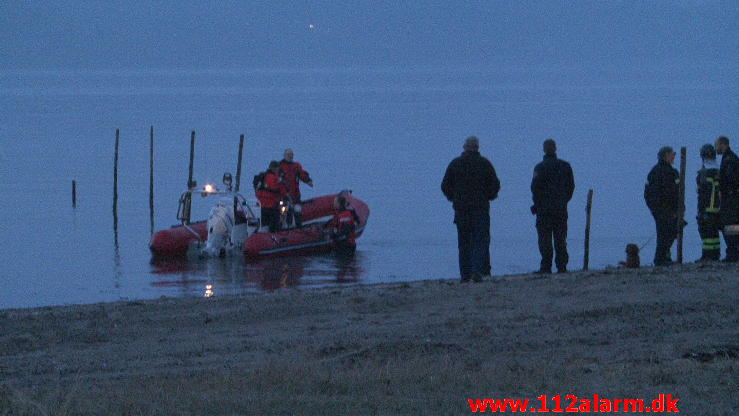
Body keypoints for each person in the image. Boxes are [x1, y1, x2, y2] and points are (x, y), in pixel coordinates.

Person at [441, 136, 500, 282]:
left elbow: (445, 185)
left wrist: (453, 198)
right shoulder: (484, 164)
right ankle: (478, 271)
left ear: (465, 147)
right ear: (477, 147)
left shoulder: (455, 164)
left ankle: (465, 275)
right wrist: (489, 196)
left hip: (461, 209)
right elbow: (495, 185)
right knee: (480, 241)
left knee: (464, 242)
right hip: (480, 209)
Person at [530, 139, 575, 274]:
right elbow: (571, 187)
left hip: (544, 210)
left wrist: (538, 204)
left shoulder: (540, 167)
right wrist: (563, 201)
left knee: (545, 240)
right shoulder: (565, 166)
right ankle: (561, 266)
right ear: (556, 148)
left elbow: (535, 188)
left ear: (544, 150)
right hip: (560, 209)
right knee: (560, 238)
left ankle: (546, 266)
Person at [644, 146, 681, 266]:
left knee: (671, 232)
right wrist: (657, 209)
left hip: (671, 210)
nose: (674, 156)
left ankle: (664, 257)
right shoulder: (657, 172)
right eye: (672, 154)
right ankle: (660, 259)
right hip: (663, 210)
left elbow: (678, 192)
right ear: (665, 155)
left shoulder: (672, 172)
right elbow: (649, 194)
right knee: (664, 234)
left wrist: (680, 207)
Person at [695, 144, 721, 261]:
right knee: (714, 234)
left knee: (707, 234)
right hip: (718, 208)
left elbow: (704, 193)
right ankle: (715, 255)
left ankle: (707, 255)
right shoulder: (719, 171)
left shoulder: (704, 173)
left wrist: (702, 210)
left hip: (707, 208)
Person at [715, 136, 739, 262]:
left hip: (731, 200)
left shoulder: (729, 160)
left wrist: (722, 188)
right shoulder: (730, 158)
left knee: (730, 225)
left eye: (717, 145)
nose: (715, 148)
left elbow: (730, 180)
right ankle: (733, 253)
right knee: (731, 226)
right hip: (731, 199)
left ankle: (733, 254)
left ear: (722, 144)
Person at [255, 161, 288, 233]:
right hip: (273, 206)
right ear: (275, 168)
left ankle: (264, 238)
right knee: (275, 226)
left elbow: (258, 191)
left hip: (263, 206)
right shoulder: (276, 178)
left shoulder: (263, 177)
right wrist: (286, 196)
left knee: (265, 225)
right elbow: (281, 189)